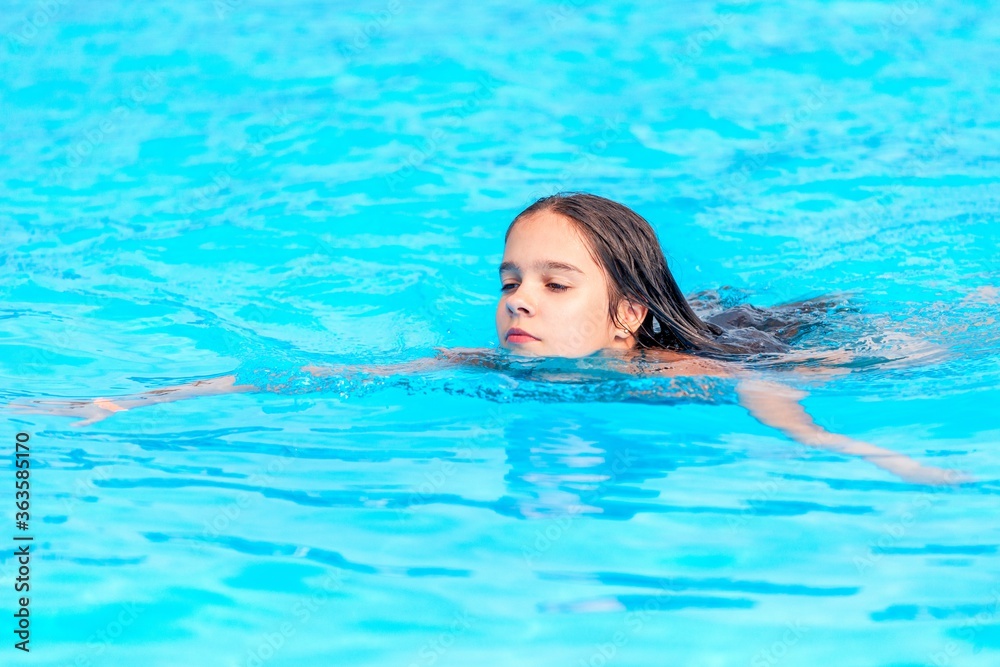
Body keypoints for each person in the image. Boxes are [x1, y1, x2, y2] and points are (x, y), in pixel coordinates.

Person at [7, 193, 968, 486]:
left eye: (555, 284)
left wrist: (829, 443)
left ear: (623, 312)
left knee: (889, 345)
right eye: (509, 282)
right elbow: (312, 376)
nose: (520, 301)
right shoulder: (479, 365)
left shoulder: (668, 365)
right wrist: (125, 399)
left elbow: (756, 390)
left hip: (761, 342)